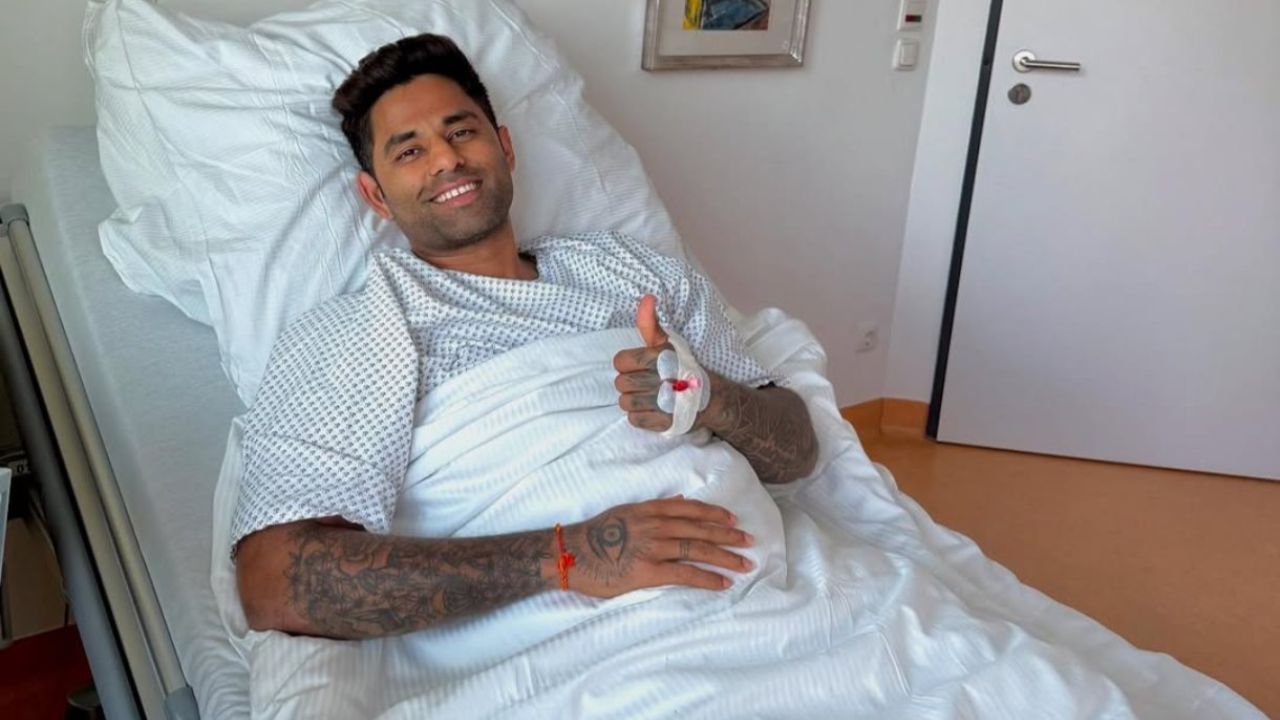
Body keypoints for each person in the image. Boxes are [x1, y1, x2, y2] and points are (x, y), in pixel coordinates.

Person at [232, 33, 818, 640]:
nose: (446, 160)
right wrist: (569, 556)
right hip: (573, 642)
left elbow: (797, 451)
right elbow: (273, 582)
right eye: (409, 151)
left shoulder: (630, 270)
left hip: (771, 602)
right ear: (376, 196)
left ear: (504, 147)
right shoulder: (356, 333)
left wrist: (705, 396)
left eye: (462, 131)